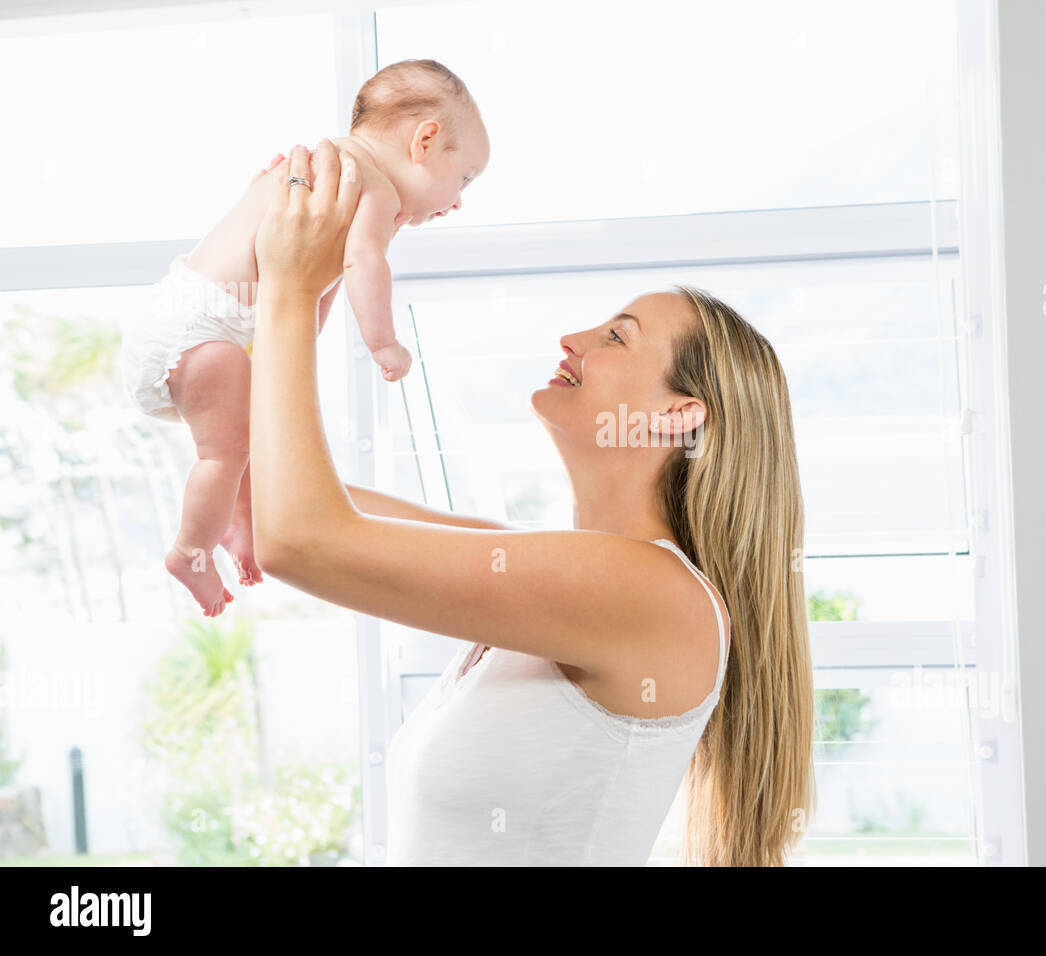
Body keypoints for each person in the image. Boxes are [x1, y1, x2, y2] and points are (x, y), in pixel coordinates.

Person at [250, 140, 816, 866]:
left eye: (616, 336)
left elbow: (301, 539)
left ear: (680, 414)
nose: (572, 339)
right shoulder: (538, 568)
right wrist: (313, 278)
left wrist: (290, 291)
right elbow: (270, 489)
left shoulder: (653, 594)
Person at [116, 59, 489, 615]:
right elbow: (365, 265)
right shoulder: (373, 189)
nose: (458, 201)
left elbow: (307, 286)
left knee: (243, 441)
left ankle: (238, 522)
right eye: (463, 178)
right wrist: (382, 342)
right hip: (200, 332)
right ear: (426, 140)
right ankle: (189, 550)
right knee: (223, 453)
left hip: (184, 316)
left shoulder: (317, 167)